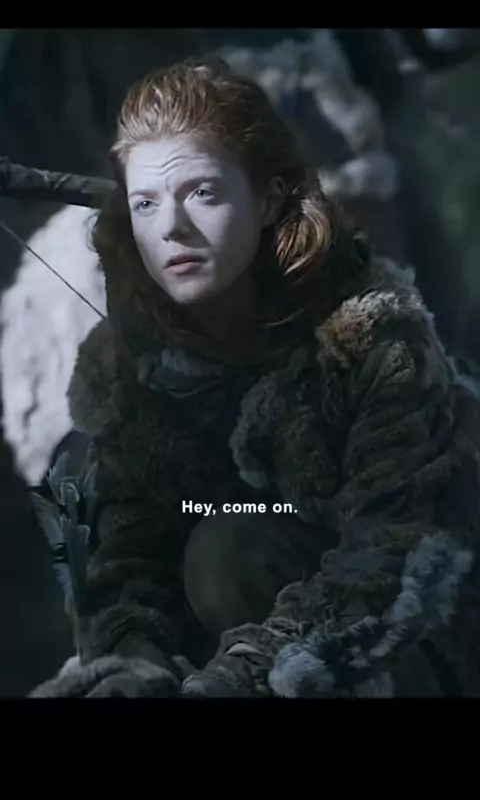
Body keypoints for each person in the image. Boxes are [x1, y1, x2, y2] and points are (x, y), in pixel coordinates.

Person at [30, 57, 480, 698]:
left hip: (412, 640)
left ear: (268, 199)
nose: (171, 228)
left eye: (203, 193)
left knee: (230, 546)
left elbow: (392, 552)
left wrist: (242, 674)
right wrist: (135, 660)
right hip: (239, 632)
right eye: (146, 203)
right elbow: (132, 555)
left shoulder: (371, 338)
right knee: (86, 474)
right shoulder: (129, 366)